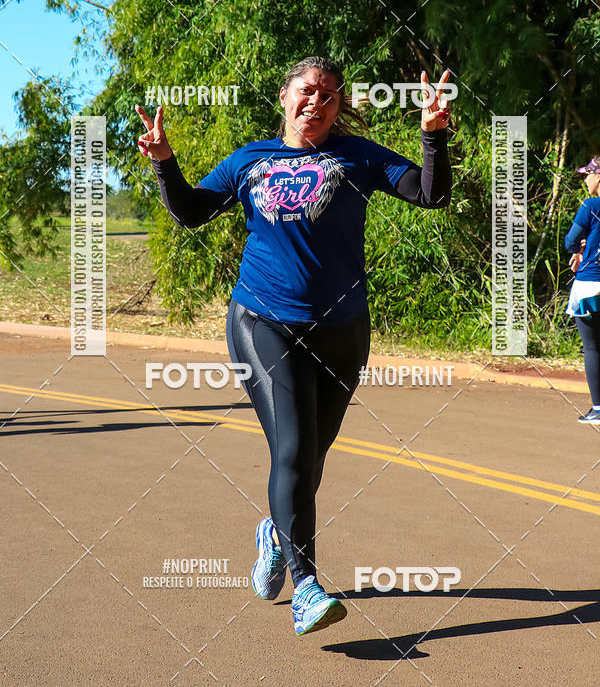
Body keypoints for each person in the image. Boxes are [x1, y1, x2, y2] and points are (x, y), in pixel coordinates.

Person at [135, 55, 453, 635]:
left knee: (314, 455)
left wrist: (434, 137)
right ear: (285, 96)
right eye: (308, 89)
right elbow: (191, 213)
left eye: (330, 95)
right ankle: (307, 585)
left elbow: (428, 195)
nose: (318, 101)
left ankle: (273, 532)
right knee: (294, 446)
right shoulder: (249, 160)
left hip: (343, 331)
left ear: (338, 109)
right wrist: (164, 163)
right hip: (263, 321)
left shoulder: (357, 157)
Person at [565, 155, 600, 423]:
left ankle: (598, 409)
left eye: (588, 174)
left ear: (599, 177)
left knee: (592, 347)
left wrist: (577, 251)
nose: (586, 179)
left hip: (590, 285)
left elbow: (570, 240)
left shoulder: (591, 205)